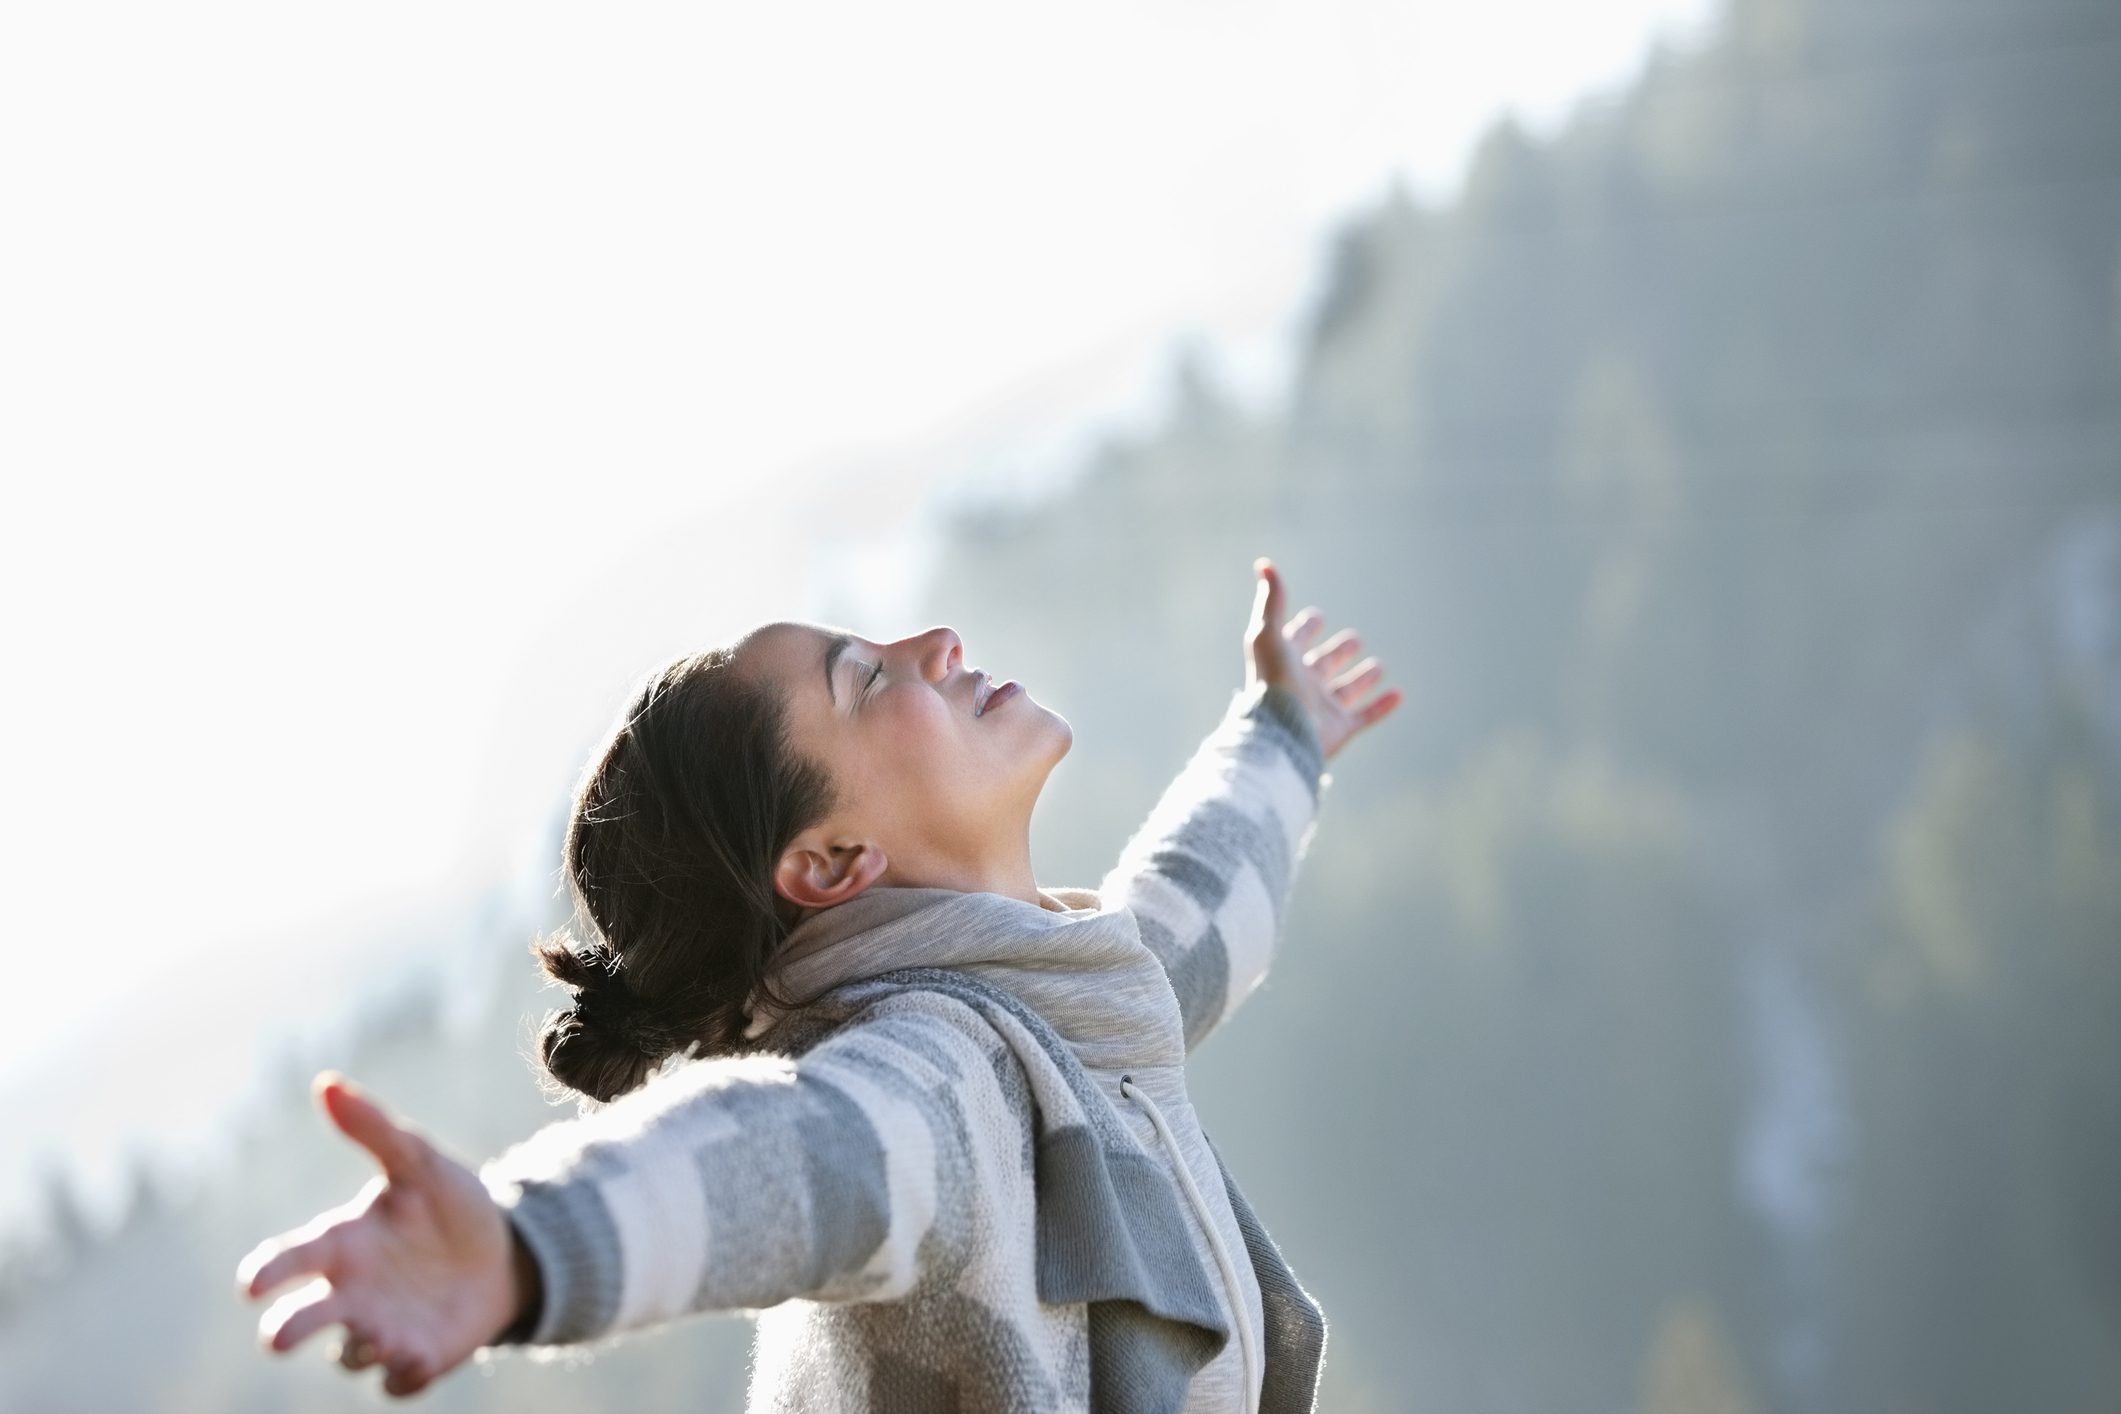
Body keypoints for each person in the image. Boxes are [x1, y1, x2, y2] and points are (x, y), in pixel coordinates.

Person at [234, 556, 1401, 1411]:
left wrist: (1283, 737)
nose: (936, 643)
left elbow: (1185, 927)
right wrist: (528, 1244)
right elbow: (789, 1155)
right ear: (833, 863)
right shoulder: (940, 1079)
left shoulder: (1061, 1015)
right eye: (863, 678)